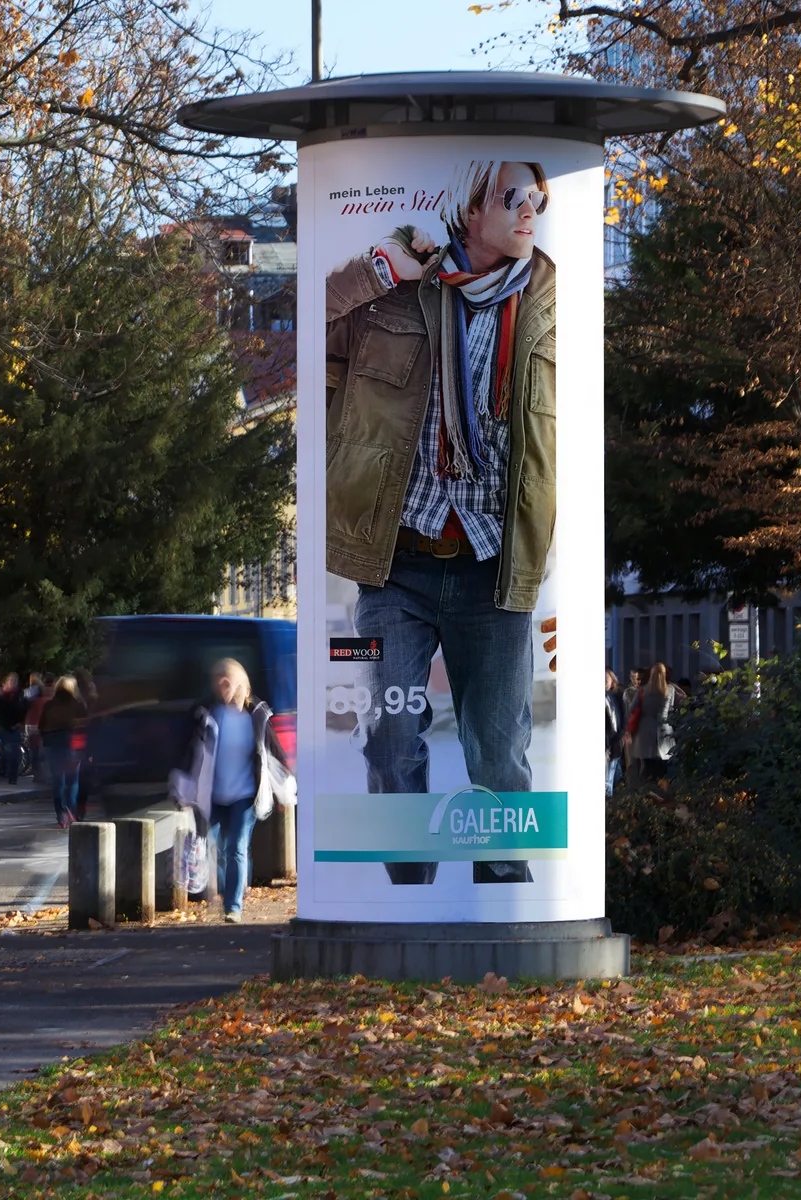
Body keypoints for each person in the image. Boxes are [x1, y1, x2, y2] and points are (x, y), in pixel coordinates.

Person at [325, 158, 559, 887]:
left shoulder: (551, 298)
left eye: (541, 199)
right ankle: (407, 900)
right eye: (514, 197)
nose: (531, 211)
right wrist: (374, 267)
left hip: (495, 562)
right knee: (392, 737)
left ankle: (504, 909)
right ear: (472, 206)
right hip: (395, 560)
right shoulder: (399, 280)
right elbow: (314, 318)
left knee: (499, 751)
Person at [171, 659, 290, 923]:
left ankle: (233, 906)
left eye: (229, 680)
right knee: (217, 848)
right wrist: (181, 789)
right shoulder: (206, 715)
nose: (224, 685)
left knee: (235, 847)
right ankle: (231, 890)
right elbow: (189, 754)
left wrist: (285, 790)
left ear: (243, 684)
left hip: (245, 794)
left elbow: (273, 752)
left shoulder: (256, 715)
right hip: (213, 796)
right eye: (220, 680)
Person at [38, 675, 87, 827]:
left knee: (58, 781)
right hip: (73, 745)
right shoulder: (78, 705)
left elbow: (41, 727)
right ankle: (71, 809)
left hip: (54, 746)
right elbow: (85, 726)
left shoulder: (49, 705)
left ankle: (61, 815)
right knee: (73, 780)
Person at [628, 663, 680, 783]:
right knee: (662, 770)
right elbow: (664, 714)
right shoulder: (669, 690)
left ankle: (645, 795)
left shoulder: (643, 690)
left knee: (647, 768)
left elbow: (631, 708)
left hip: (645, 731)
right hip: (663, 733)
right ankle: (661, 796)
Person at [0, 672, 30, 784]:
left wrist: (22, 722)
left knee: (14, 753)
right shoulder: (1, 696)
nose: (12, 683)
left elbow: (25, 710)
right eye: (10, 680)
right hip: (3, 724)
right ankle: (4, 771)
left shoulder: (20, 696)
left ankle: (13, 776)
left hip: (15, 726)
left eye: (14, 681)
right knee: (6, 750)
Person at [604, 668, 627, 796]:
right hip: (605, 745)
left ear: (612, 681)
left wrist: (620, 737)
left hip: (616, 744)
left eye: (606, 680)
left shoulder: (617, 697)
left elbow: (624, 718)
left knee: (610, 780)